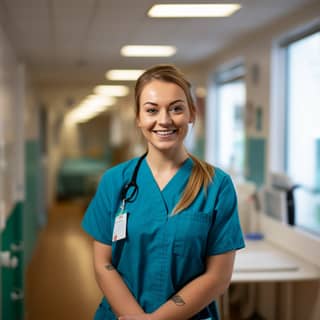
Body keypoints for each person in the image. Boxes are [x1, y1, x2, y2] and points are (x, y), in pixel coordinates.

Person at [81, 64, 245, 320]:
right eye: (151, 110)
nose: (164, 120)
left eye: (176, 108)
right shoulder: (115, 182)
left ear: (192, 113)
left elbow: (218, 277)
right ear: (138, 117)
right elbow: (103, 264)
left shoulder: (216, 185)